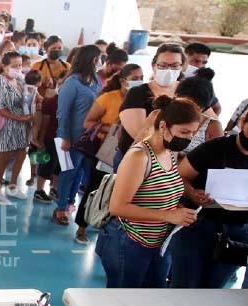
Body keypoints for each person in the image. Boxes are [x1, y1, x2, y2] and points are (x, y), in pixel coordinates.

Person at [95, 96, 201, 288]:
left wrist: (178, 208)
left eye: (193, 133)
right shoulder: (140, 156)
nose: (188, 138)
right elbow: (118, 207)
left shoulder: (170, 152)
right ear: (163, 126)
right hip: (130, 241)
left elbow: (158, 190)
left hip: (159, 242)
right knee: (124, 301)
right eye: (184, 132)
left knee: (150, 299)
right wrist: (169, 215)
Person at [173, 111, 248, 290]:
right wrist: (192, 193)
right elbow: (178, 177)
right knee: (185, 287)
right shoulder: (215, 148)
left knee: (214, 290)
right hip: (199, 224)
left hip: (238, 233)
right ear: (244, 123)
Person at [73, 64, 144, 243]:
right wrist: (113, 128)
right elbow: (88, 122)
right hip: (108, 150)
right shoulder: (108, 98)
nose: (139, 81)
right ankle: (82, 226)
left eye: (141, 77)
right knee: (96, 188)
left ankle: (107, 228)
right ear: (122, 81)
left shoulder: (143, 100)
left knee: (121, 192)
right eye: (135, 78)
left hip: (134, 154)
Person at [53, 45, 102, 225]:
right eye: (99, 58)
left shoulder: (96, 81)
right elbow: (62, 112)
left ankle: (70, 202)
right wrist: (65, 136)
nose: (100, 61)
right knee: (68, 172)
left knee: (80, 172)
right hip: (69, 137)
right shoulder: (72, 83)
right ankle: (60, 207)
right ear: (92, 60)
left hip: (88, 138)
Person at [116, 43, 184, 169]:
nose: (169, 70)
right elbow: (139, 134)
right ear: (154, 66)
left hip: (169, 162)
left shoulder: (187, 91)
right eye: (163, 65)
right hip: (136, 160)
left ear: (182, 67)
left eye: (175, 66)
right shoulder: (137, 93)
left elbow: (209, 119)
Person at [0, 51, 32, 206]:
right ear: (4, 66)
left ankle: (13, 186)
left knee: (21, 153)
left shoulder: (20, 79)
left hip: (22, 124)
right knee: (4, 158)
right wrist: (19, 118)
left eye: (20, 65)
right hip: (8, 125)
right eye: (14, 66)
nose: (18, 68)